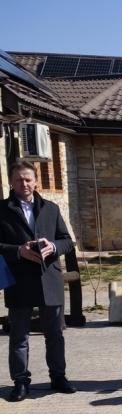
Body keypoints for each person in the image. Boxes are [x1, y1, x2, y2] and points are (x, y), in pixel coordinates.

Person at [0, 160, 75, 401]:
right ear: (11, 182)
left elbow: (67, 240)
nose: (24, 183)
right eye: (19, 179)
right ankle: (21, 381)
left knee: (54, 334)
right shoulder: (2, 209)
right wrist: (18, 251)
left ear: (35, 181)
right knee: (19, 337)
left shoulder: (50, 208)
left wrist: (53, 246)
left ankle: (58, 377)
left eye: (28, 179)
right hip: (18, 280)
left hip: (48, 278)